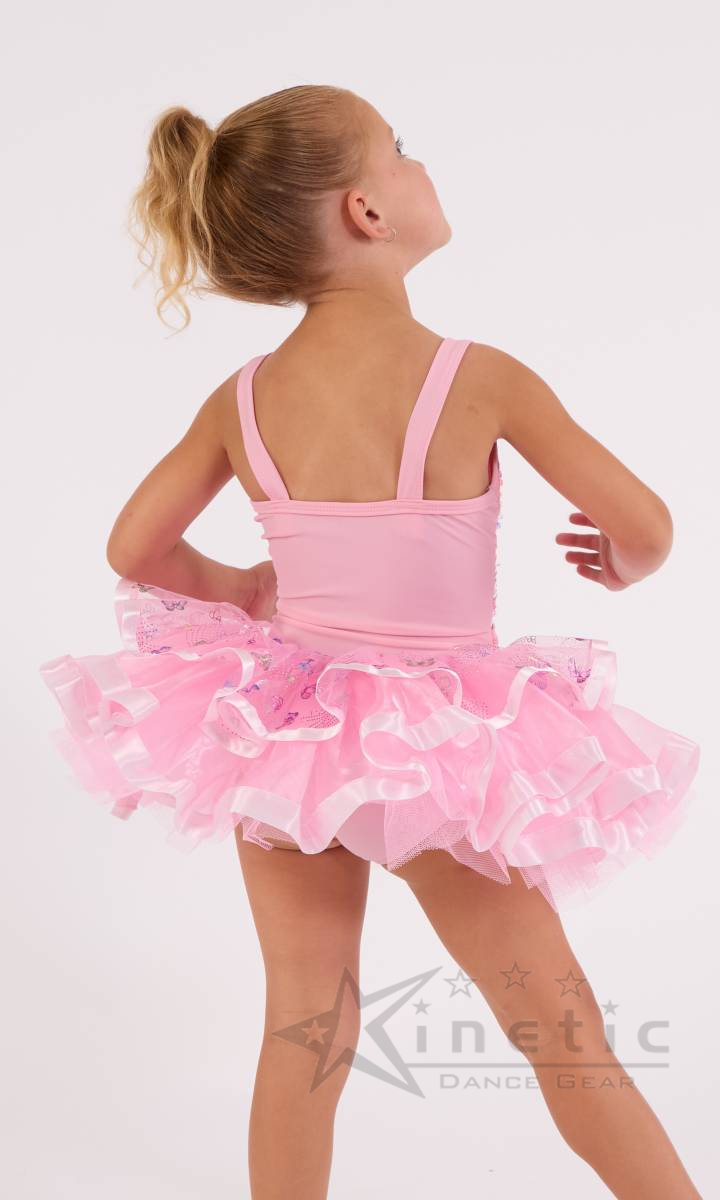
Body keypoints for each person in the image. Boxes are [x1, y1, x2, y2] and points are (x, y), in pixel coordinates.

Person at [39, 85, 703, 1199]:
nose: (416, 162)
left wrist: (244, 588)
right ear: (367, 210)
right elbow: (646, 526)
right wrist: (624, 563)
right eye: (400, 149)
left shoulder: (244, 398)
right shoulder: (477, 377)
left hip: (288, 731)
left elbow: (134, 546)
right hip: (439, 746)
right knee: (558, 1023)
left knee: (308, 1020)